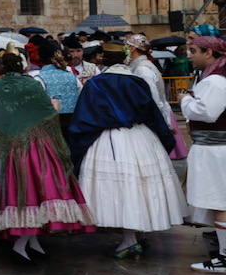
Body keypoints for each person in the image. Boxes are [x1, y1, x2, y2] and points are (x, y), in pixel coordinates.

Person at [68, 43, 186, 258]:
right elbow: (152, 113)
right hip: (140, 137)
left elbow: (84, 118)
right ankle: (137, 234)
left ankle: (129, 239)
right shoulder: (137, 82)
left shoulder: (95, 84)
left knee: (121, 189)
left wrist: (77, 143)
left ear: (103, 58)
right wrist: (164, 138)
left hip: (108, 138)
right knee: (137, 186)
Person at [0, 51, 94, 258]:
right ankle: (28, 241)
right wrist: (54, 107)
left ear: (2, 70)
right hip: (35, 145)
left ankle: (26, 241)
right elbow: (47, 112)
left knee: (19, 191)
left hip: (6, 148)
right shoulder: (31, 84)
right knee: (37, 191)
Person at [178, 34, 226, 272]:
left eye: (193, 50)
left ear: (209, 53)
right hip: (214, 149)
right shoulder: (214, 78)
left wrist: (185, 101)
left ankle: (225, 256)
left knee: (220, 201)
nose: (189, 55)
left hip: (216, 151)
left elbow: (207, 113)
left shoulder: (215, 81)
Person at [128, 33, 186, 158]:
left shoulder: (142, 69)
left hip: (153, 118)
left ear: (132, 48)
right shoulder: (139, 66)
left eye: (127, 47)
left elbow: (154, 99)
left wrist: (162, 123)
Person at [37, 39, 82, 135]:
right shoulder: (72, 76)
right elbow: (81, 97)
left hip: (50, 129)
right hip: (71, 127)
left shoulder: (39, 78)